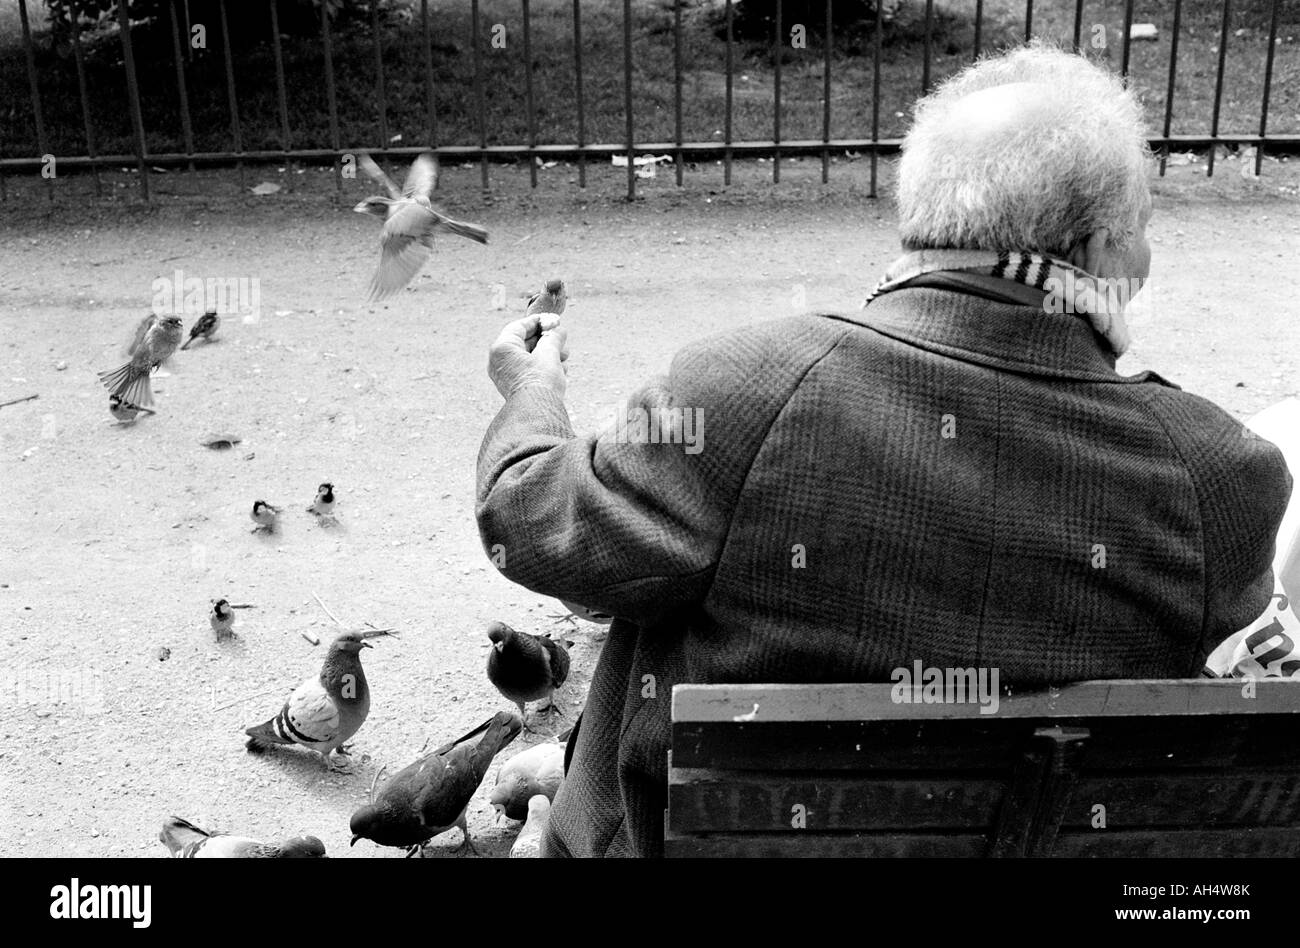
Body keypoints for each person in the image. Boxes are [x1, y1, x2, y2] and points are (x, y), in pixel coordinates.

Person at [475, 43, 1293, 858]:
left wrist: (531, 390)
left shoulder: (743, 392)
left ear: (921, 215)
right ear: (1103, 252)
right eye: (1144, 232)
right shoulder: (1218, 475)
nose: (1147, 263)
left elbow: (524, 511)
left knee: (654, 592)